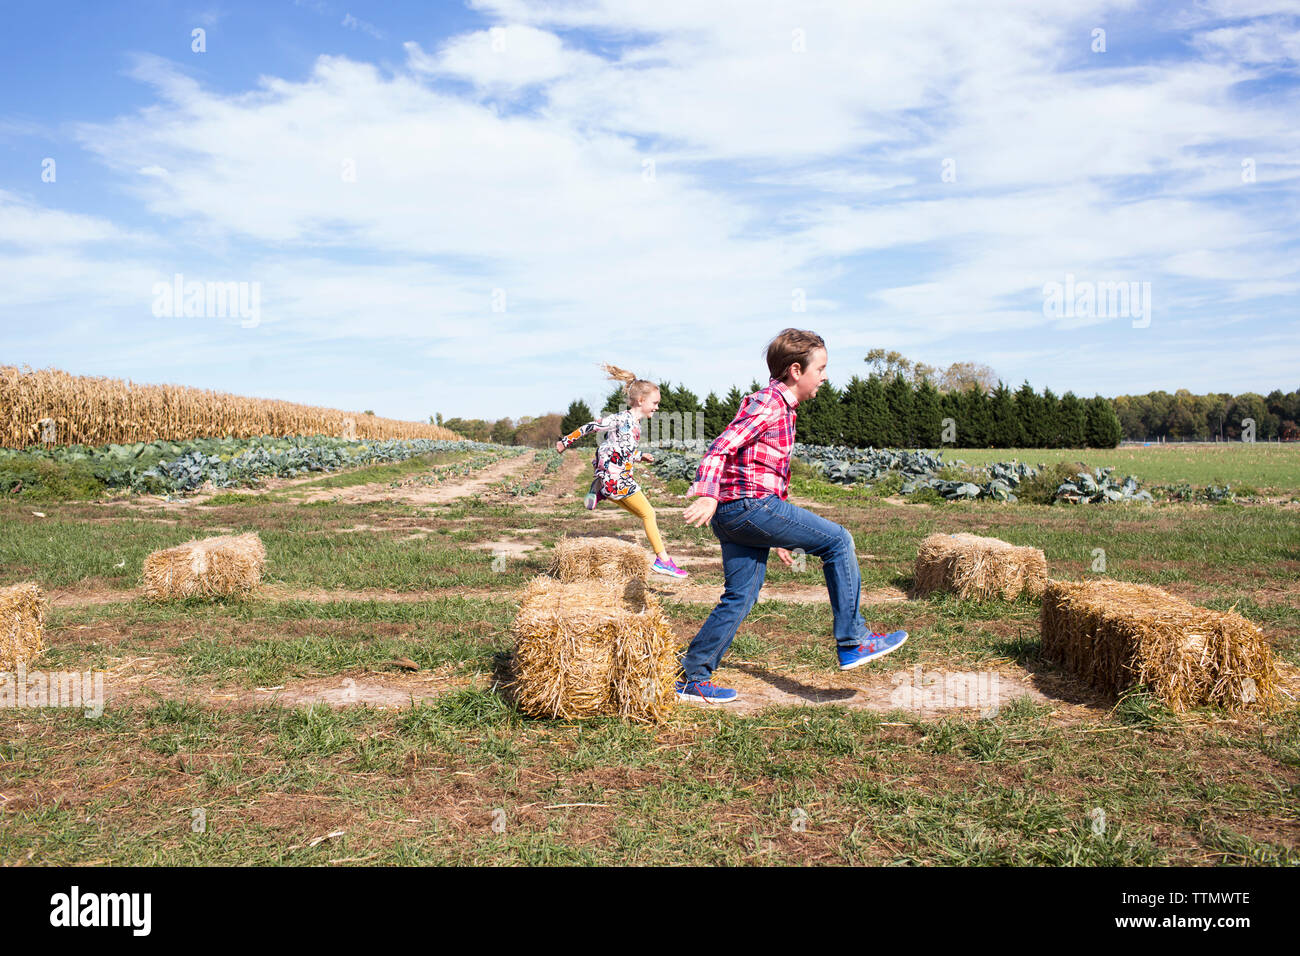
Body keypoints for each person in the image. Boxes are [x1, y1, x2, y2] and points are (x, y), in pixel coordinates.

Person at [676, 329, 908, 702]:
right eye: (822, 368)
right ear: (796, 370)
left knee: (740, 596)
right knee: (838, 541)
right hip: (750, 506)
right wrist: (706, 493)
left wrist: (780, 534)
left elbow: (770, 469)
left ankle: (693, 674)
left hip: (743, 512)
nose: (826, 376)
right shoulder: (768, 403)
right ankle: (854, 640)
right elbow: (721, 446)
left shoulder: (780, 407)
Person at [556, 364, 688, 579]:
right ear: (641, 401)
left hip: (615, 478)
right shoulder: (621, 418)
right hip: (618, 480)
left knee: (642, 514)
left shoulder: (634, 425)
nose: (656, 407)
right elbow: (591, 426)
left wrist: (639, 456)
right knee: (649, 514)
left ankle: (599, 490)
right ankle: (663, 561)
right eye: (654, 403)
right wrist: (565, 441)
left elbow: (620, 450)